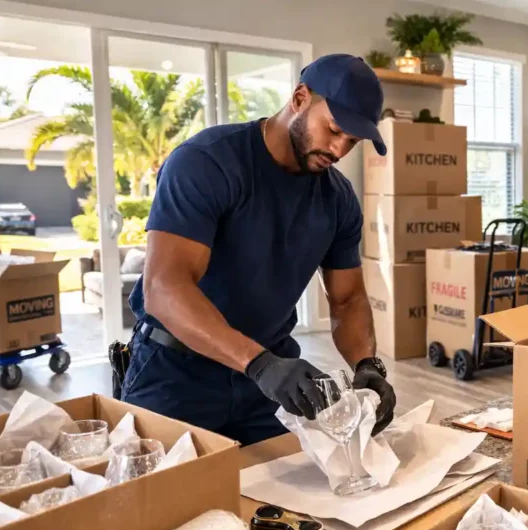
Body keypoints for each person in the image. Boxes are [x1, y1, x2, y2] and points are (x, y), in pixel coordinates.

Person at [118, 54, 396, 446]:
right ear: (300, 98)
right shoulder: (207, 163)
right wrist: (260, 364)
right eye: (333, 130)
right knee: (165, 502)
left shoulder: (338, 200)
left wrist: (367, 366)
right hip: (177, 374)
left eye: (352, 141)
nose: (338, 150)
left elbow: (348, 300)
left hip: (267, 383)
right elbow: (165, 288)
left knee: (288, 500)